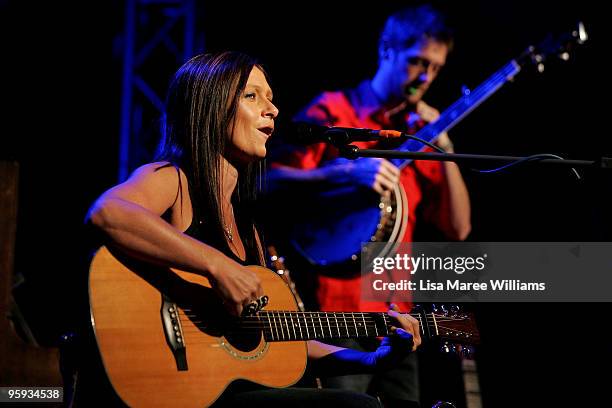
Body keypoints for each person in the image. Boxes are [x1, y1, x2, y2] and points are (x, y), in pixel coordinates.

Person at [78, 51, 421, 407]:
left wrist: (367, 360)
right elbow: (108, 212)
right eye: (252, 96)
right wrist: (217, 265)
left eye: (271, 99)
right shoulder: (173, 179)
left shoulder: (248, 227)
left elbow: (280, 332)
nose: (272, 109)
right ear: (209, 106)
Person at [266, 5, 471, 407]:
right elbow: (267, 181)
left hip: (397, 316)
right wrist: (341, 173)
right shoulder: (334, 111)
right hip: (336, 310)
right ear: (386, 50)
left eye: (435, 68)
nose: (425, 78)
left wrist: (443, 146)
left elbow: (459, 228)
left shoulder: (420, 134)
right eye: (416, 62)